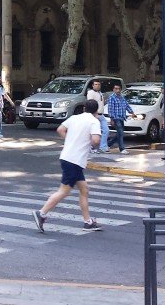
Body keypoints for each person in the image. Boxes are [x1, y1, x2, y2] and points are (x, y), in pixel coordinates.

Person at [32, 98, 103, 233]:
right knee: (64, 191)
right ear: (96, 111)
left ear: (84, 108)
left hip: (68, 157)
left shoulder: (75, 118)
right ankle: (41, 213)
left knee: (84, 190)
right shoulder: (94, 121)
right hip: (75, 160)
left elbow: (60, 129)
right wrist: (94, 146)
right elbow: (95, 140)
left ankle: (88, 222)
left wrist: (71, 140)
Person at [105, 84, 135, 153]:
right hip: (116, 118)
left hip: (122, 117)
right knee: (120, 132)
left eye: (119, 89)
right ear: (113, 89)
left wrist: (132, 112)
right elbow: (110, 109)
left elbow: (126, 105)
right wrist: (111, 119)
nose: (117, 90)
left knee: (119, 133)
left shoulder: (122, 97)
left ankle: (108, 144)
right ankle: (122, 149)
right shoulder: (112, 97)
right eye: (116, 89)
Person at [86, 80, 110, 154]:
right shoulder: (90, 93)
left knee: (106, 130)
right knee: (93, 132)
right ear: (93, 85)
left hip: (101, 114)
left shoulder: (100, 93)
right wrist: (94, 114)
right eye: (95, 84)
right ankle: (91, 147)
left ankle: (103, 146)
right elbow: (91, 103)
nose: (97, 86)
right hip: (94, 115)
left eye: (99, 84)